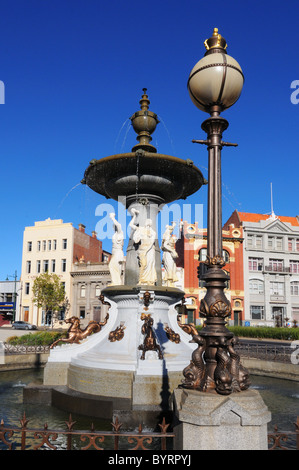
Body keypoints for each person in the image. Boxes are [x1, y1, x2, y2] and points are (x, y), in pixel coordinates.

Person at [129, 208, 157, 285]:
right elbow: (131, 225)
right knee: (143, 264)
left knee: (150, 264)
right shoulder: (140, 229)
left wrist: (146, 250)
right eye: (147, 222)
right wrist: (134, 215)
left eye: (149, 222)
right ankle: (142, 280)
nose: (148, 223)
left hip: (150, 250)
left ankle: (149, 280)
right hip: (142, 250)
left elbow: (151, 242)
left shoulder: (152, 232)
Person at [108, 213, 124, 285]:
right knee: (113, 266)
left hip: (118, 252)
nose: (114, 228)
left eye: (115, 226)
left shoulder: (120, 233)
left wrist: (112, 218)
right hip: (114, 253)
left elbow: (119, 225)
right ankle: (115, 281)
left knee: (113, 266)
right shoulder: (115, 235)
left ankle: (117, 282)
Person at [161, 222, 178, 287]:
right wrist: (172, 251)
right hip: (168, 253)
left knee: (171, 267)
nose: (172, 230)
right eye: (171, 229)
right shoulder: (167, 236)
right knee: (170, 267)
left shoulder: (168, 235)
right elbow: (165, 245)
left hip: (169, 253)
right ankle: (169, 283)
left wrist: (174, 225)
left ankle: (169, 282)